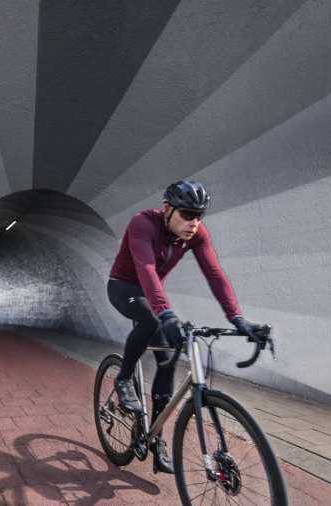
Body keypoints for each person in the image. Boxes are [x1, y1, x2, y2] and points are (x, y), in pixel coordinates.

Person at [107, 180, 265, 475]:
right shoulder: (143, 224)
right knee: (152, 319)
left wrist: (237, 319)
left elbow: (214, 274)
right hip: (123, 286)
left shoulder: (195, 233)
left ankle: (155, 442)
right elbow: (147, 269)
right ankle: (123, 379)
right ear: (167, 209)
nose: (194, 223)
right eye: (187, 214)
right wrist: (166, 313)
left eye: (199, 216)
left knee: (167, 361)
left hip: (150, 296)